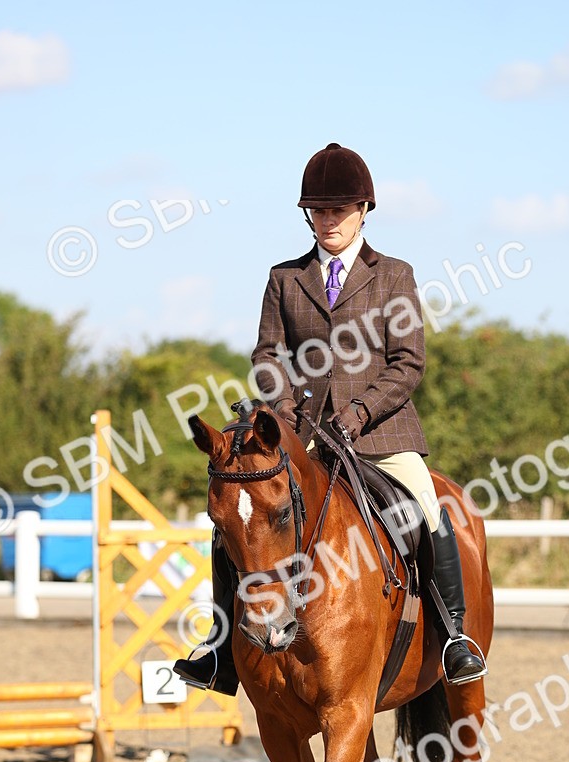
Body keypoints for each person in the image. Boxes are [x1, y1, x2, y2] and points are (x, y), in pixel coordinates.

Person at [174, 142, 485, 691]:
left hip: (381, 434)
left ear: (363, 210)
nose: (327, 221)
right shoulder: (285, 278)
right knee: (238, 527)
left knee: (427, 509)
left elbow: (408, 362)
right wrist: (289, 416)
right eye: (317, 211)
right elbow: (267, 356)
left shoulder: (393, 276)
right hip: (302, 436)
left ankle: (455, 634)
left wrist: (359, 412)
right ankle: (220, 648)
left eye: (337, 211)